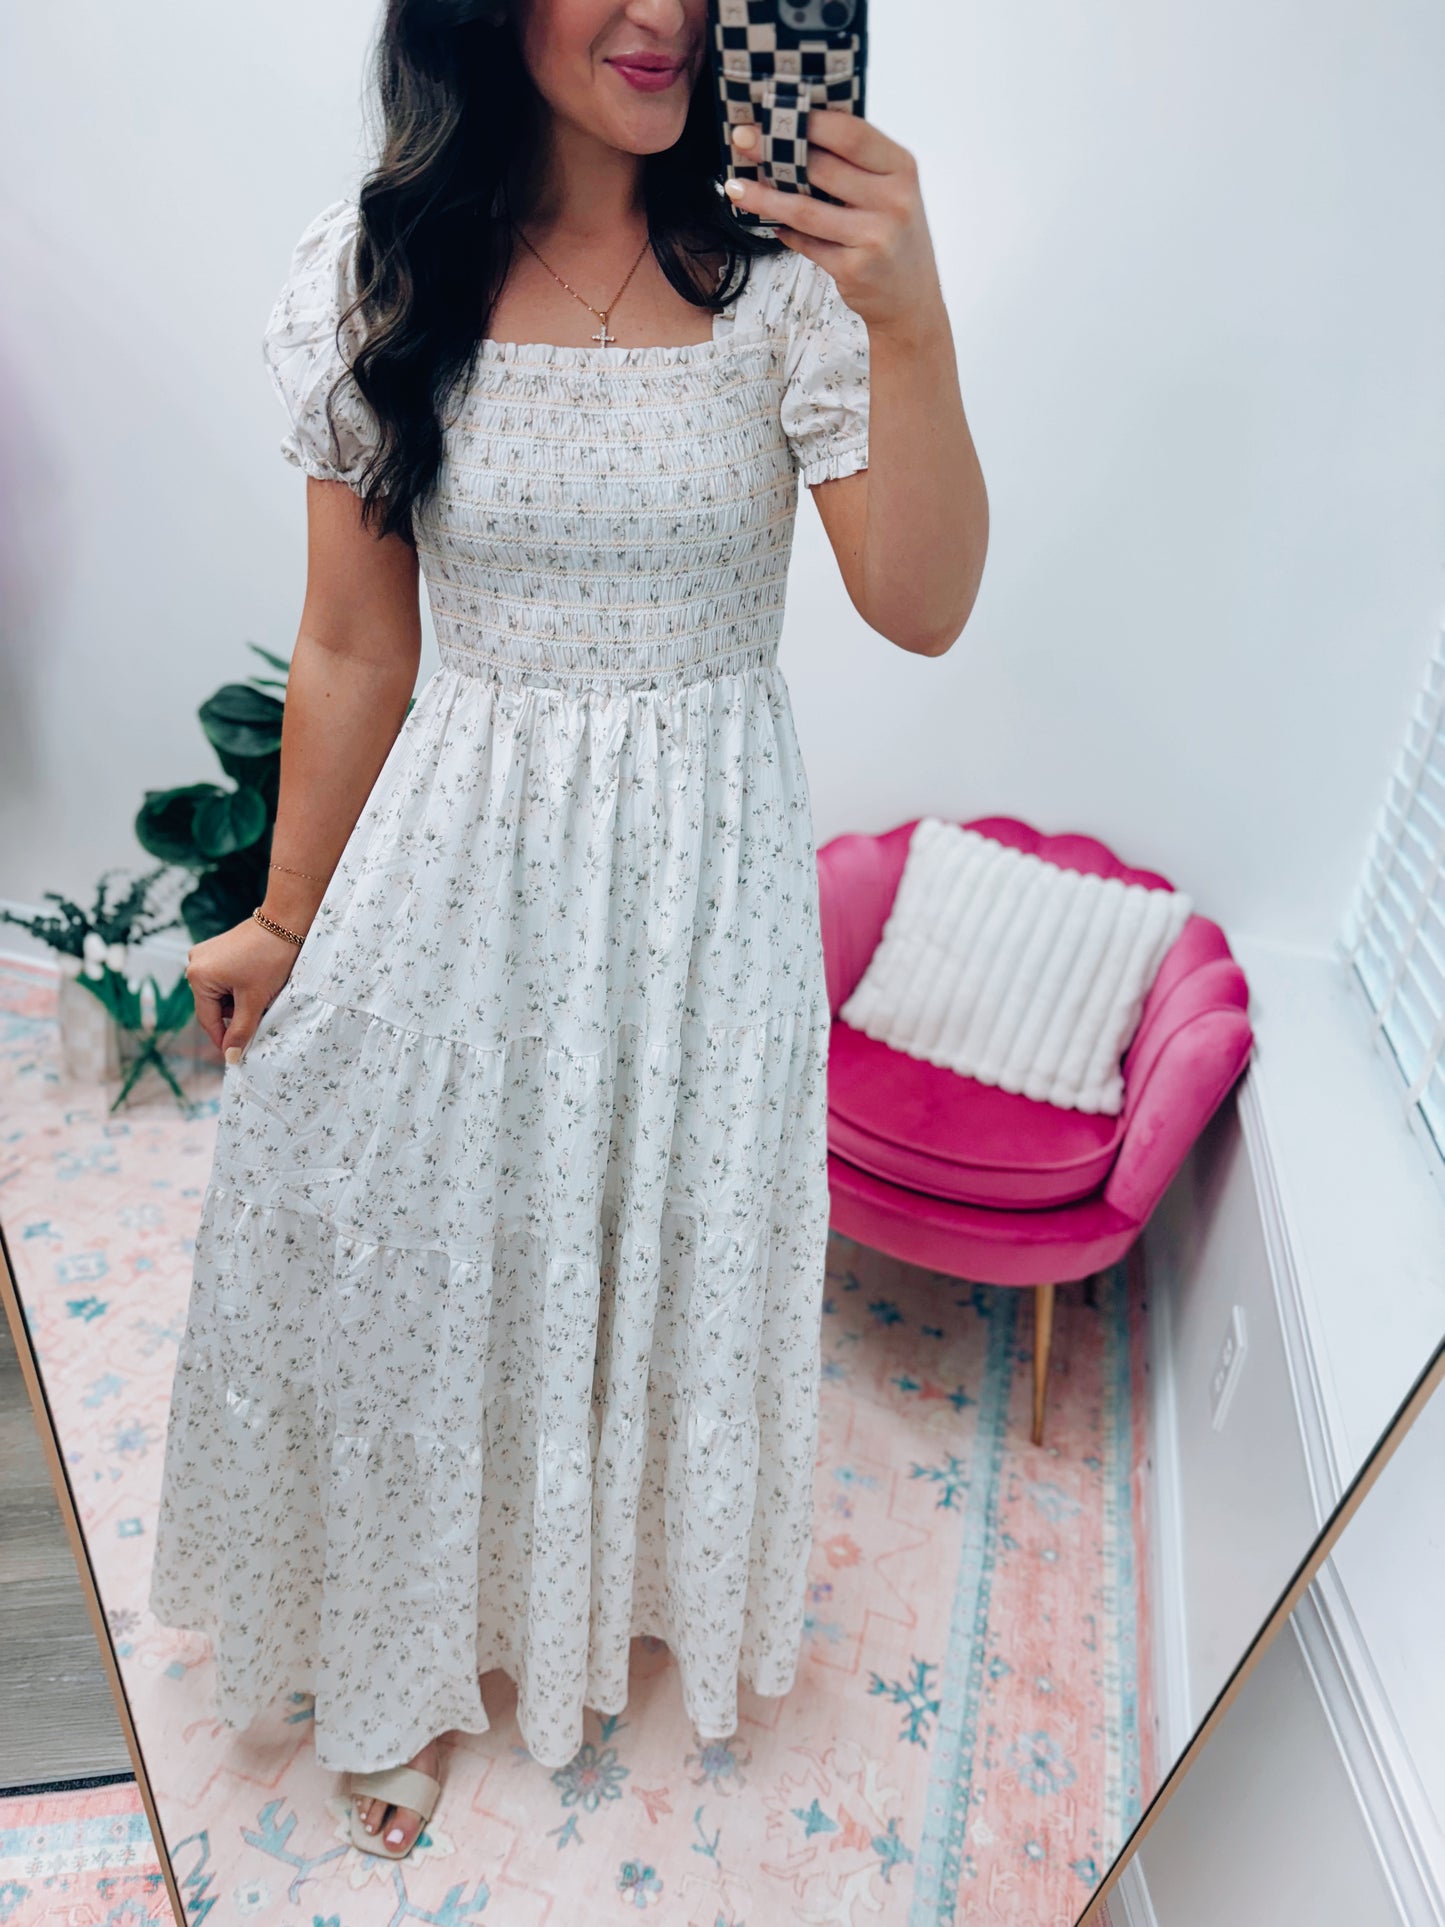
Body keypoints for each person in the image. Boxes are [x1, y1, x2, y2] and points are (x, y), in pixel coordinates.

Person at [147, 0, 986, 1864]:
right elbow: (353, 641)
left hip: (700, 908)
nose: (663, 13)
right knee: (422, 1268)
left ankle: (576, 1597)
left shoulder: (787, 282)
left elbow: (920, 605)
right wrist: (283, 916)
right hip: (457, 870)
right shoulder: (379, 274)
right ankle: (394, 1660)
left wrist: (912, 319)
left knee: (643, 1263)